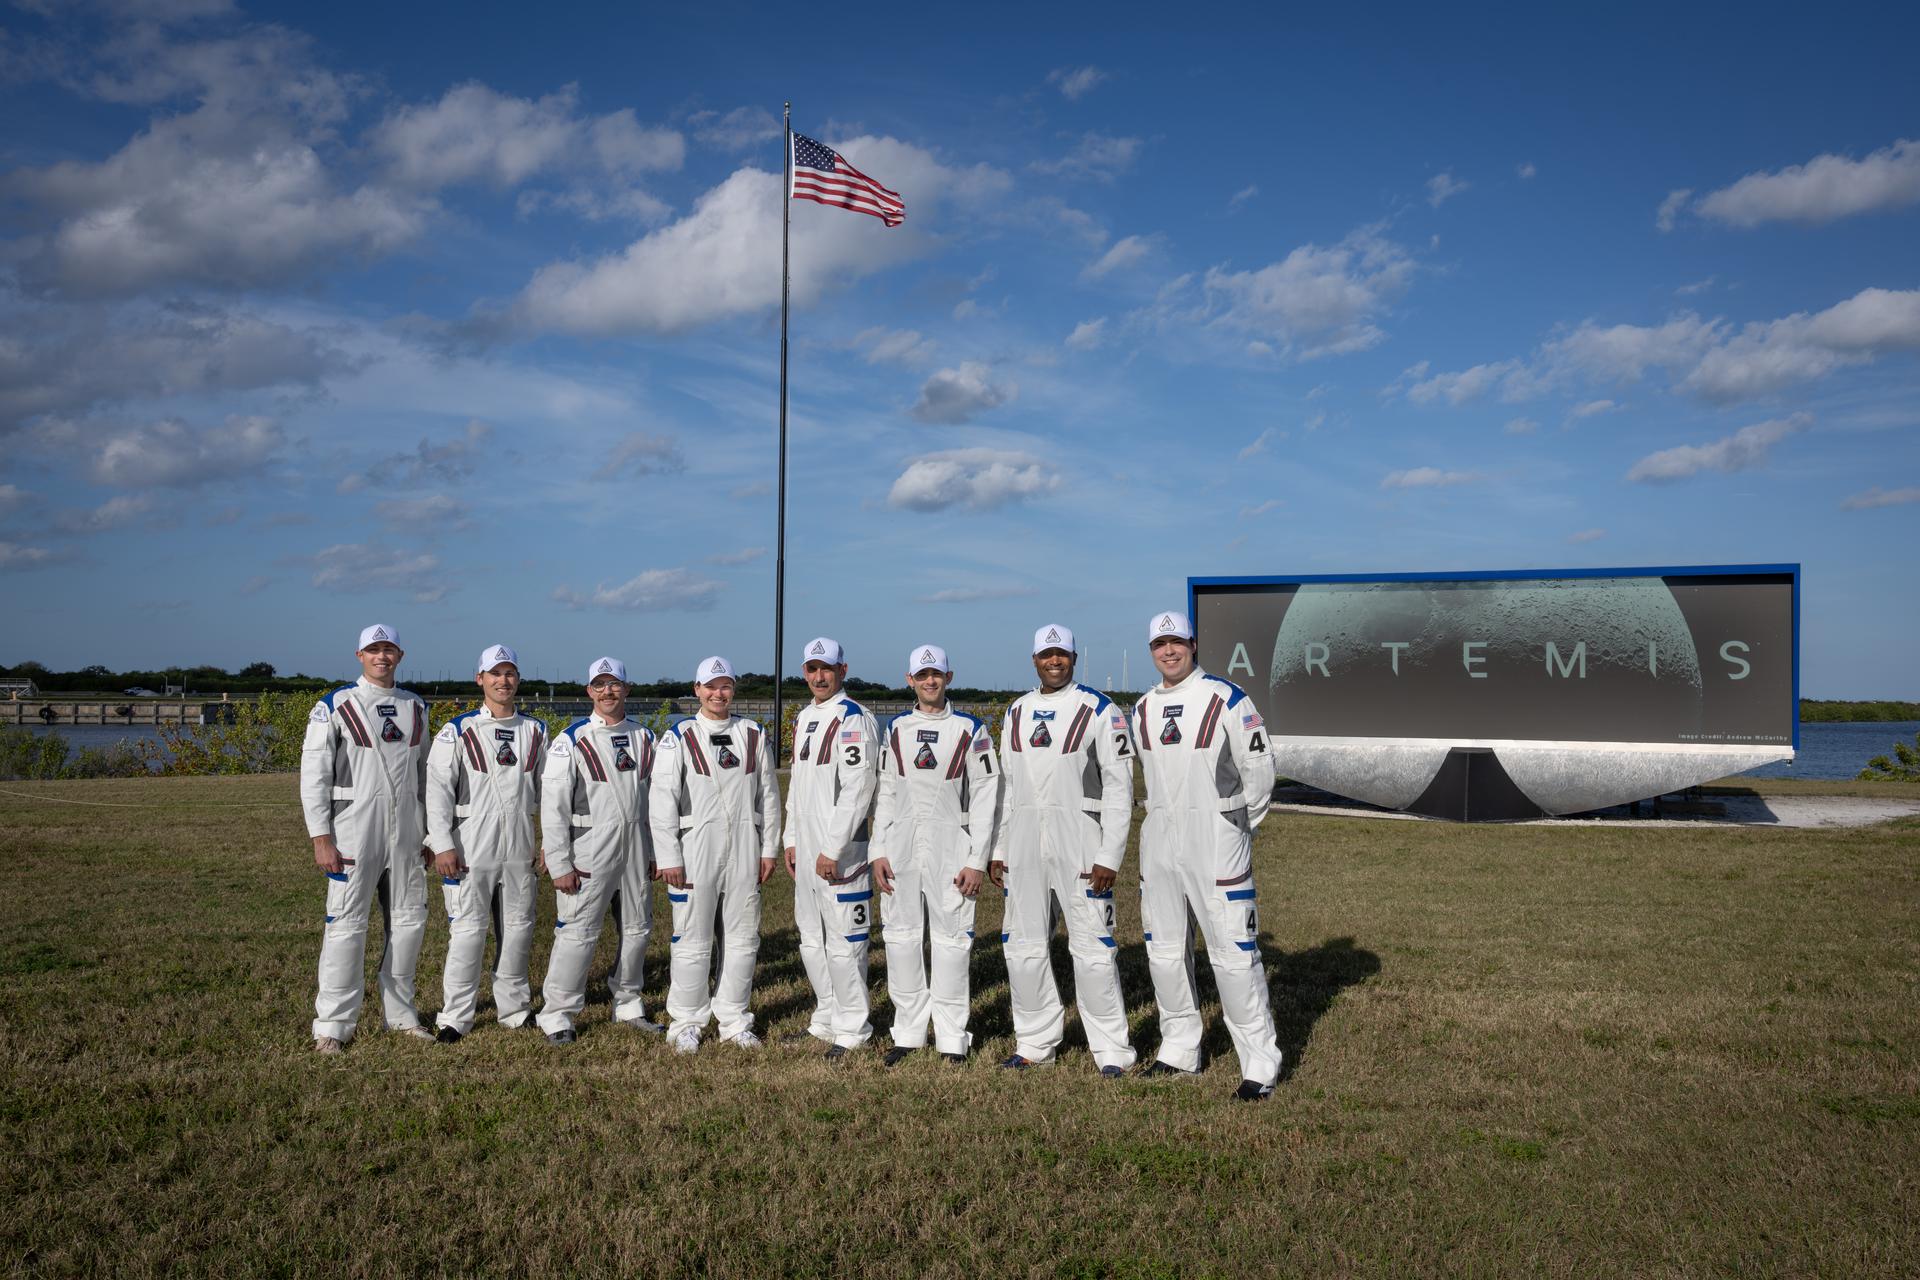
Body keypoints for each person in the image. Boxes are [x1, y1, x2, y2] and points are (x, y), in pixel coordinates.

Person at [1131, 610, 1282, 1101]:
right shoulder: (1142, 708)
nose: (1168, 651)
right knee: (1165, 951)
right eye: (1159, 644)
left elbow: (1259, 771)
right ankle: (1179, 1050)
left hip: (1215, 839)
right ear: (1151, 650)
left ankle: (1260, 1064)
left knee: (1234, 953)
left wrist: (1235, 825)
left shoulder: (1226, 698)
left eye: (1176, 642)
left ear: (1192, 645)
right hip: (1159, 842)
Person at [991, 623, 1137, 1076]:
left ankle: (1112, 1050)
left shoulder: (1100, 709)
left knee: (1093, 948)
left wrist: (1109, 855)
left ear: (1074, 657)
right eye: (1045, 654)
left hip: (1081, 843)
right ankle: (1035, 1042)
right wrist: (998, 848)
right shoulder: (1016, 711)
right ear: (1033, 659)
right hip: (1024, 843)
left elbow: (1119, 788)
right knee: (1022, 946)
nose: (1054, 661)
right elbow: (1007, 787)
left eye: (1062, 654)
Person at [301, 623, 432, 1053]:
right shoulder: (336, 703)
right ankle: (333, 1026)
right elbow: (314, 775)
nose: (382, 656)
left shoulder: (415, 706)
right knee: (346, 927)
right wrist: (321, 837)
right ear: (359, 655)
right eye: (373, 650)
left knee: (409, 925)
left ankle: (402, 1016)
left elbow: (426, 777)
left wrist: (430, 834)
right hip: (353, 835)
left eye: (389, 649)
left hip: (407, 837)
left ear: (400, 655)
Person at [871, 644, 1001, 1066]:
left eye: (937, 674)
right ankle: (908, 1033)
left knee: (951, 942)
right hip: (901, 847)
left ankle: (951, 1038)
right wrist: (878, 849)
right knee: (902, 939)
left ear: (949, 677)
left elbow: (987, 798)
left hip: (952, 847)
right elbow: (886, 793)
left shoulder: (971, 729)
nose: (930, 681)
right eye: (922, 675)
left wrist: (976, 859)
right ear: (909, 679)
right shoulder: (895, 730)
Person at [650, 656, 781, 1054]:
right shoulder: (679, 736)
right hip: (695, 850)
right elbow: (661, 801)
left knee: (743, 939)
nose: (717, 693)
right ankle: (686, 1022)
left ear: (733, 689)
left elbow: (769, 797)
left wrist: (769, 848)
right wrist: (669, 855)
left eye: (724, 686)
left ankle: (735, 1020)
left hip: (745, 848)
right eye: (710, 686)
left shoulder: (753, 733)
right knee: (692, 939)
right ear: (697, 690)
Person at [425, 644, 545, 1043]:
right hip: (470, 844)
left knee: (518, 930)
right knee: (468, 932)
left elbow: (552, 794)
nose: (503, 681)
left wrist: (549, 843)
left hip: (519, 843)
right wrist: (441, 844)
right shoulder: (457, 730)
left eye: (510, 673)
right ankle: (455, 1016)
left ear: (518, 679)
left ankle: (514, 1009)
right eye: (495, 674)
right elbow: (438, 791)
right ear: (480, 679)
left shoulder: (536, 730)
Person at [536, 656, 659, 1045]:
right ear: (589, 690)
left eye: (615, 684)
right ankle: (558, 1014)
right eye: (600, 684)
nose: (608, 691)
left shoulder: (645, 737)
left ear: (627, 688)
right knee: (578, 932)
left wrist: (658, 852)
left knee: (637, 928)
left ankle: (628, 1002)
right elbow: (552, 808)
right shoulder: (570, 740)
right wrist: (559, 862)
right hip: (589, 849)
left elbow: (659, 799)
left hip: (636, 847)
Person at [782, 636, 881, 1059]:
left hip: (842, 853)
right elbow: (797, 784)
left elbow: (859, 788)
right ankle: (825, 1017)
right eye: (811, 669)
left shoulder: (855, 717)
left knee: (845, 940)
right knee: (810, 936)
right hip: (806, 849)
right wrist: (790, 838)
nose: (819, 677)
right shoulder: (805, 716)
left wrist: (832, 847)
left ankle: (854, 1027)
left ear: (843, 670)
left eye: (827, 669)